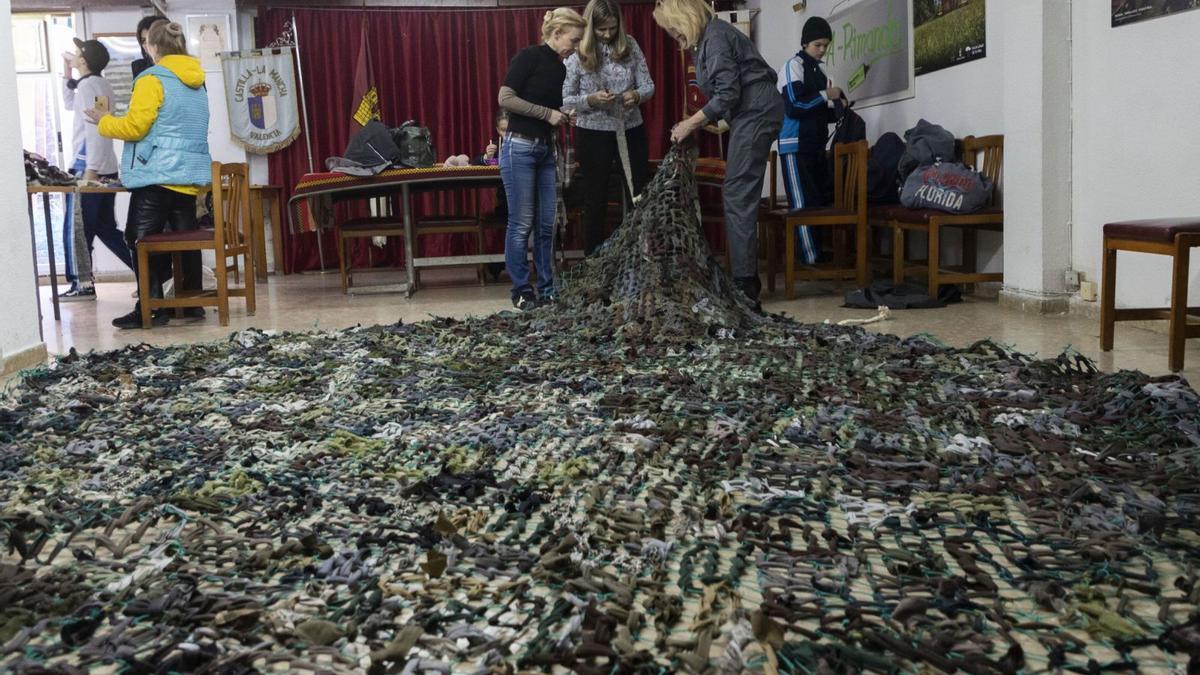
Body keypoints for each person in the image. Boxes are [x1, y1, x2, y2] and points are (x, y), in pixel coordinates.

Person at [656, 0, 783, 311]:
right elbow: (732, 93)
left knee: (737, 194)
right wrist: (713, 123)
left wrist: (691, 122)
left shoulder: (713, 38)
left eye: (674, 28)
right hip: (749, 113)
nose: (674, 36)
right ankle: (743, 278)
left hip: (756, 111)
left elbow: (728, 93)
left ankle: (745, 287)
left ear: (685, 18)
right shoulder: (706, 41)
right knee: (738, 192)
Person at [89, 21, 211, 329]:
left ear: (150, 47)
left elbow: (135, 127)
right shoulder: (197, 81)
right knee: (183, 240)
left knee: (139, 239)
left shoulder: (152, 78)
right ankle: (191, 303)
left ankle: (151, 307)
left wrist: (104, 121)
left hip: (156, 173)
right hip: (187, 175)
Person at [497, 8, 586, 311]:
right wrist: (548, 114)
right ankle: (522, 290)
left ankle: (547, 289)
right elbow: (505, 98)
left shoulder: (560, 68)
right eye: (572, 41)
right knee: (521, 224)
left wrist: (563, 115)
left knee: (547, 224)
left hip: (546, 150)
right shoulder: (528, 56)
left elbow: (549, 108)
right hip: (519, 148)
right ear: (556, 33)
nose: (574, 47)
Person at [562, 0, 655, 256]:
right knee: (595, 199)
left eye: (612, 28)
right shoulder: (577, 52)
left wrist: (635, 95)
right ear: (591, 26)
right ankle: (594, 261)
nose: (607, 34)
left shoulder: (631, 44)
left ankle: (639, 259)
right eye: (602, 29)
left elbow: (648, 86)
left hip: (630, 129)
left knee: (638, 194)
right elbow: (565, 100)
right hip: (592, 133)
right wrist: (590, 100)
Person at [59, 38, 132, 300]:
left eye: (77, 53)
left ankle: (82, 284)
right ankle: (150, 272)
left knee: (77, 228)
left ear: (85, 60)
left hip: (88, 166)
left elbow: (95, 128)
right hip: (106, 165)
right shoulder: (97, 84)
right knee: (104, 227)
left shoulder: (90, 85)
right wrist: (67, 74)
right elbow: (71, 105)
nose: (74, 55)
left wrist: (90, 169)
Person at [778, 16, 841, 265]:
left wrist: (838, 106)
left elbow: (820, 113)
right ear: (805, 43)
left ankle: (813, 257)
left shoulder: (821, 70)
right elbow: (795, 105)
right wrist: (828, 94)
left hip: (815, 144)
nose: (822, 49)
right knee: (801, 205)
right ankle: (808, 259)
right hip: (795, 144)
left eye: (826, 45)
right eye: (818, 44)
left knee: (815, 202)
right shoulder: (793, 66)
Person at [473, 110, 510, 282]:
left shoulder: (524, 144)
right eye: (503, 130)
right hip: (505, 202)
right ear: (497, 130)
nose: (506, 134)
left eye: (509, 130)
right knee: (502, 221)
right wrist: (487, 156)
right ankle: (497, 265)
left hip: (526, 200)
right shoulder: (496, 147)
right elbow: (476, 162)